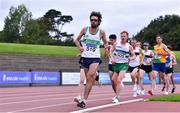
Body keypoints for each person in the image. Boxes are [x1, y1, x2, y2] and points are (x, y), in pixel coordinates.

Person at [75, 11, 108, 108]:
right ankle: (96, 75)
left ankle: (84, 100)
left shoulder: (101, 32)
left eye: (95, 20)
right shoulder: (85, 29)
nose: (93, 21)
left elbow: (105, 43)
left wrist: (106, 49)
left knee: (89, 77)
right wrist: (79, 47)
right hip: (85, 57)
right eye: (92, 20)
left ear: (99, 21)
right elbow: (77, 40)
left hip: (95, 58)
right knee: (88, 79)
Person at [110, 31, 135, 103]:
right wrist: (112, 58)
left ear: (127, 37)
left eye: (124, 36)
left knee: (118, 80)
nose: (123, 37)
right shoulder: (116, 44)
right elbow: (111, 51)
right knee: (113, 80)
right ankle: (120, 85)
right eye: (122, 36)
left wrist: (131, 58)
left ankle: (117, 97)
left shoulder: (129, 46)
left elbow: (134, 55)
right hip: (116, 64)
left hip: (124, 64)